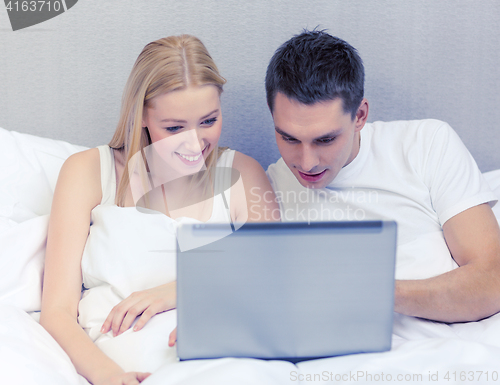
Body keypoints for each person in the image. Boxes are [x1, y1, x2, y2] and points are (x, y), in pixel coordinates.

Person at [40, 35, 279, 385]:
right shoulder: (89, 171)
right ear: (142, 116)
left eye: (209, 121)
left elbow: (276, 279)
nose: (195, 143)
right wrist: (109, 376)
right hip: (126, 370)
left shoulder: (242, 173)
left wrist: (177, 291)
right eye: (174, 128)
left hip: (228, 361)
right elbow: (57, 312)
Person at [265, 29, 500, 323]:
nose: (307, 162)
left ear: (360, 116)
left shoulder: (426, 145)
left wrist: (374, 292)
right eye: (289, 138)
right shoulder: (265, 193)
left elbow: (493, 279)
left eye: (325, 140)